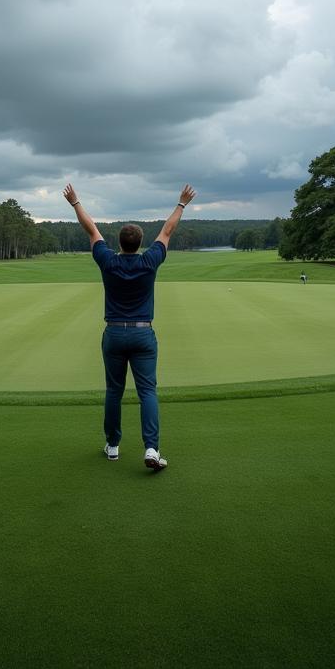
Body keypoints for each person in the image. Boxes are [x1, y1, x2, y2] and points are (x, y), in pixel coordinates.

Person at [63, 182, 196, 472]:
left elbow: (91, 230)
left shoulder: (108, 261)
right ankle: (151, 448)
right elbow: (168, 230)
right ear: (140, 242)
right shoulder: (149, 261)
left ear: (120, 242)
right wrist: (181, 204)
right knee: (147, 391)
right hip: (142, 333)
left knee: (114, 391)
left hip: (114, 333)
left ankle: (113, 446)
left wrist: (75, 203)